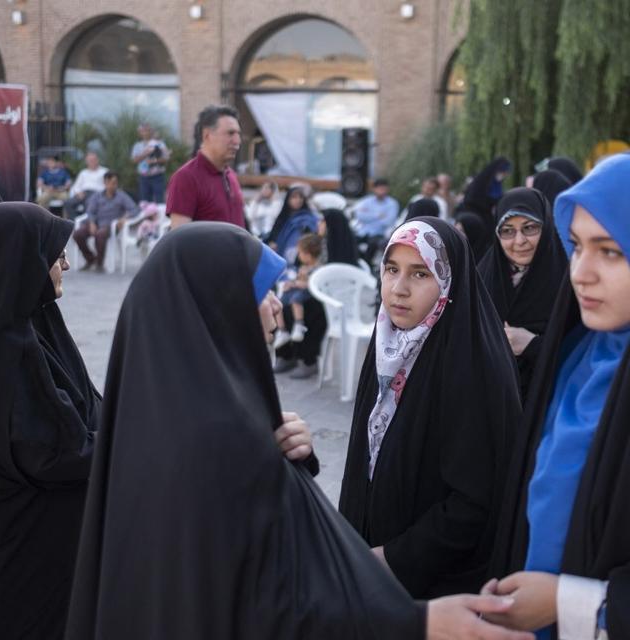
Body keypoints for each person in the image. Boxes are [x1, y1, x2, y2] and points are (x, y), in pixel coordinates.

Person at [63, 221, 533, 640]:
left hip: (426, 573)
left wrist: (287, 460)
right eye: (261, 291)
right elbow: (263, 597)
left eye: (420, 273)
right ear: (219, 306)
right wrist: (406, 617)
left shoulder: (190, 412)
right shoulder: (203, 441)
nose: (276, 307)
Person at [483, 153, 630, 639]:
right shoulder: (578, 357)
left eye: (610, 251)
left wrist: (571, 603)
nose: (581, 272)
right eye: (575, 247)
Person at [339, 217, 522, 599]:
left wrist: (392, 557)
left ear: (449, 283)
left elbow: (474, 502)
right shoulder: (389, 345)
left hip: (438, 588)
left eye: (420, 274)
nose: (398, 289)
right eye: (391, 270)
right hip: (371, 565)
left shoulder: (473, 364)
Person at [0, 202, 101, 639]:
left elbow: (87, 403)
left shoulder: (35, 323)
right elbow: (54, 451)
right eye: (55, 254)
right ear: (24, 260)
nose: (67, 264)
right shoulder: (4, 351)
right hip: (28, 551)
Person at [478, 187, 567, 400]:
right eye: (507, 230)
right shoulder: (483, 277)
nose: (519, 241)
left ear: (546, 227)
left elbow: (582, 355)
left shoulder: (569, 279)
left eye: (530, 228)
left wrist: (533, 345)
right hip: (491, 406)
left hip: (549, 403)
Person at [167, 105, 245, 229]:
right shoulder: (186, 178)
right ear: (207, 135)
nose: (237, 141)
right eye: (230, 133)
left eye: (238, 134)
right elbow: (179, 240)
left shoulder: (230, 175)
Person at [73, 171, 139, 272]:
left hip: (111, 226)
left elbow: (135, 209)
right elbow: (90, 211)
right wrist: (91, 223)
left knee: (100, 234)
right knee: (77, 234)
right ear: (105, 183)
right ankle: (91, 259)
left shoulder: (121, 196)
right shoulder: (97, 196)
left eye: (114, 183)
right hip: (96, 222)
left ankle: (99, 264)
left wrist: (125, 217)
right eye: (110, 183)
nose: (112, 185)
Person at [274, 233, 323, 348]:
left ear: (308, 254)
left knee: (295, 300)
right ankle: (282, 330)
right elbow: (298, 281)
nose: (298, 256)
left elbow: (312, 284)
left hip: (308, 293)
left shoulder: (317, 268)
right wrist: (291, 284)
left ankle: (299, 323)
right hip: (299, 290)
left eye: (300, 253)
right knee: (279, 302)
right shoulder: (303, 267)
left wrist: (298, 283)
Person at [352, 178, 400, 265]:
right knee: (351, 240)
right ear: (374, 189)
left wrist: (369, 215)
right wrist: (378, 215)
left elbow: (388, 221)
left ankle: (367, 265)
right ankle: (356, 262)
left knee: (373, 244)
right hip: (363, 232)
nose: (381, 191)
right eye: (379, 188)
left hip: (380, 233)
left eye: (383, 188)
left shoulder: (392, 203)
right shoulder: (366, 201)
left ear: (387, 189)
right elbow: (360, 216)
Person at [267, 186, 319, 266]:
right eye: (294, 197)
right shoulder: (283, 217)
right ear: (288, 200)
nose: (298, 200)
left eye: (300, 197)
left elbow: (311, 237)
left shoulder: (308, 218)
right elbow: (273, 235)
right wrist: (272, 243)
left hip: (300, 258)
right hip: (278, 256)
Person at [463, 156, 512, 233]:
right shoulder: (481, 182)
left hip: (487, 216)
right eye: (503, 172)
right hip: (476, 215)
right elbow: (471, 200)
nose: (504, 175)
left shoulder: (496, 184)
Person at [131, 123, 171, 203]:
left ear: (151, 131)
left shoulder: (160, 144)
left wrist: (154, 161)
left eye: (148, 130)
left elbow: (166, 158)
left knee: (159, 200)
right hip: (143, 177)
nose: (145, 133)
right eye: (143, 131)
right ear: (140, 133)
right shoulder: (137, 146)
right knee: (145, 201)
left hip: (157, 176)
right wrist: (145, 154)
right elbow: (134, 160)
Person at [63, 152, 109, 220]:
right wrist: (78, 193)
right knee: (68, 203)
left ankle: (87, 223)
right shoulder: (83, 173)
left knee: (89, 203)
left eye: (93, 160)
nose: (92, 162)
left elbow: (108, 186)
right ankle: (74, 222)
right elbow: (76, 186)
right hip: (83, 193)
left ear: (97, 160)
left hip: (97, 194)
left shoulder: (104, 171)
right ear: (86, 162)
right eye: (90, 160)